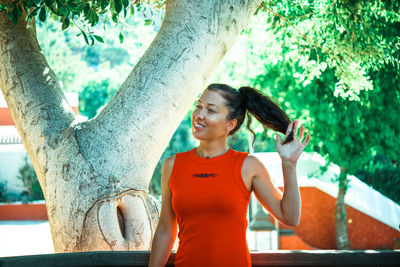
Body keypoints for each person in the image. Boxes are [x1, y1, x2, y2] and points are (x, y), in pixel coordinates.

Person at [148, 84, 311, 267]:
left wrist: (289, 164)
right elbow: (165, 230)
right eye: (199, 106)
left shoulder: (248, 166)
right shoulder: (172, 165)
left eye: (210, 110)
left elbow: (290, 217)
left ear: (230, 124)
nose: (199, 115)